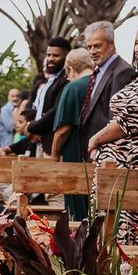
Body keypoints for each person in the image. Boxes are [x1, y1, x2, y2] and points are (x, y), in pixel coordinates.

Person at [89, 19, 138, 244]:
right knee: (118, 228)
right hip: (123, 169)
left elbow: (129, 122)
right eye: (136, 43)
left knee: (134, 230)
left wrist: (95, 140)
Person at [78, 21, 134, 161]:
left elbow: (116, 118)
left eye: (97, 46)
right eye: (89, 47)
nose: (92, 51)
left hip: (105, 153)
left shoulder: (123, 72)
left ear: (111, 45)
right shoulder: (99, 71)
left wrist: (100, 146)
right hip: (93, 151)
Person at [51, 48, 95, 220]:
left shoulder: (73, 88)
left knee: (78, 212)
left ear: (70, 68)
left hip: (75, 156)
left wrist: (54, 156)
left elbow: (63, 129)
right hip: (97, 155)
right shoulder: (101, 83)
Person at [26, 37, 71, 155]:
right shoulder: (49, 81)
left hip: (54, 146)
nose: (50, 59)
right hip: (40, 142)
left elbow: (55, 111)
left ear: (67, 57)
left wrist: (32, 127)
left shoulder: (66, 81)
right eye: (48, 55)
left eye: (56, 56)